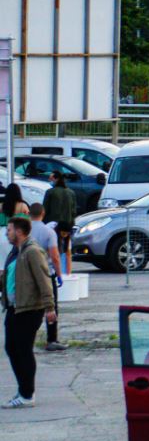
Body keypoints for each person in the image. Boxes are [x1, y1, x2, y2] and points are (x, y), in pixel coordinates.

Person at [2, 216, 57, 409]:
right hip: (13, 307)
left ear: (19, 231)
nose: (6, 233)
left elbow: (44, 279)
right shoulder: (15, 252)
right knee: (11, 348)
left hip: (29, 309)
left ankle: (27, 394)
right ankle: (23, 389)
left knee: (23, 350)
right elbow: (12, 276)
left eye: (9, 230)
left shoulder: (32, 251)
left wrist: (50, 307)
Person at [26, 203, 64, 351]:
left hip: (28, 274)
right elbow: (54, 256)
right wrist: (59, 274)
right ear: (43, 213)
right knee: (51, 306)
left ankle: (28, 338)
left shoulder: (25, 230)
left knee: (30, 306)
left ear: (29, 213)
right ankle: (51, 339)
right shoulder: (48, 232)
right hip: (46, 272)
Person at [42, 172, 76, 272]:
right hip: (67, 228)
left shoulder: (50, 192)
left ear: (55, 179)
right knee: (67, 252)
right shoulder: (71, 192)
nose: (49, 180)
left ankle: (55, 272)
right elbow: (74, 211)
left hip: (52, 227)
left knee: (52, 252)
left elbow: (45, 210)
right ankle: (66, 273)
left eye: (50, 178)